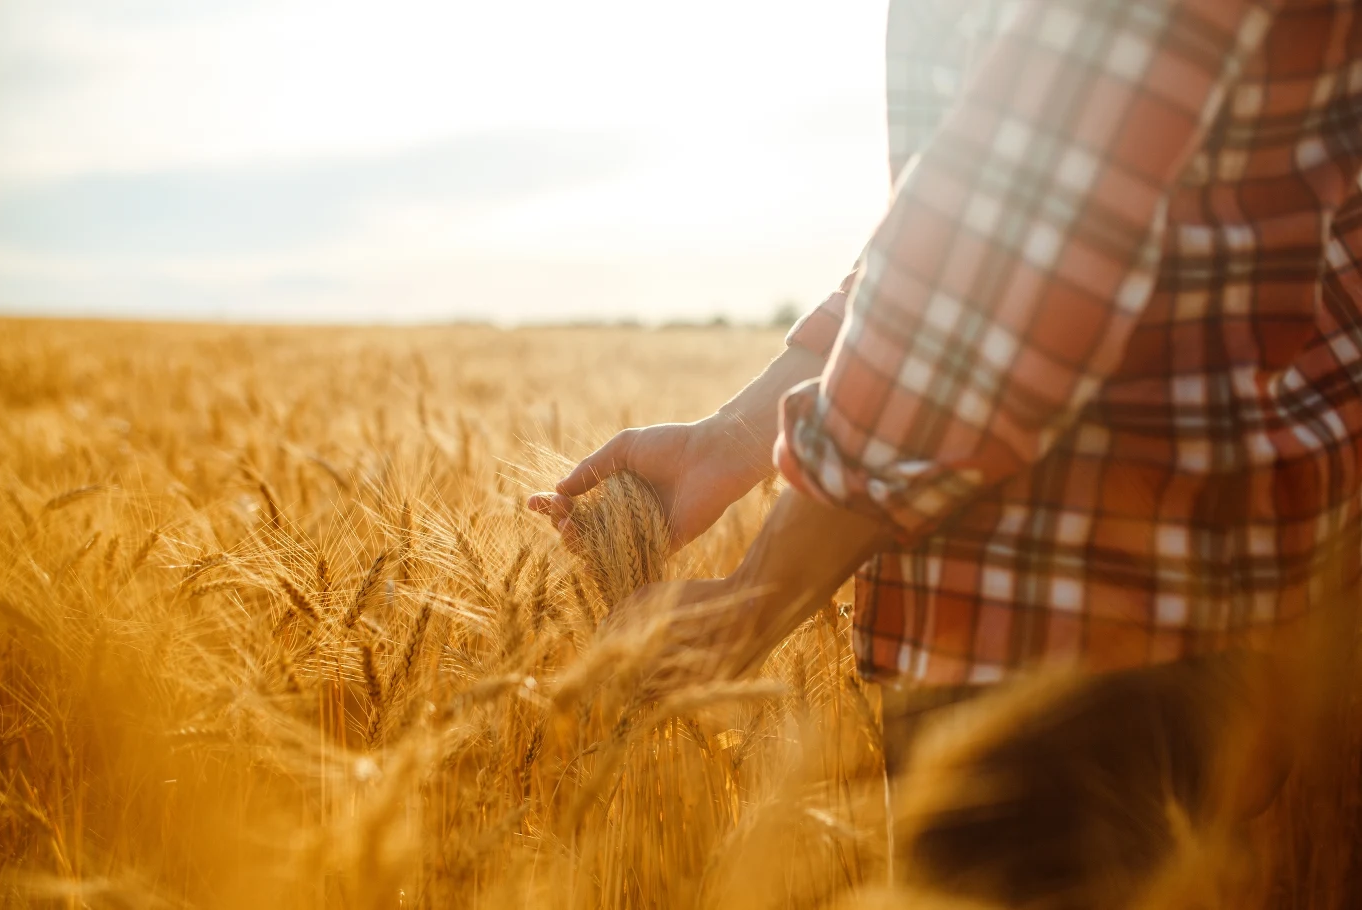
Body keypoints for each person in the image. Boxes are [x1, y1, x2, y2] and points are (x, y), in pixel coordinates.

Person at [532, 0, 1362, 903]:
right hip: (1104, 613)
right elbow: (956, 215)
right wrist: (730, 444)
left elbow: (1014, 235)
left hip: (1060, 632)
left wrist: (755, 598)